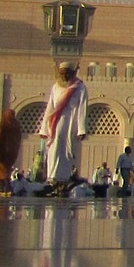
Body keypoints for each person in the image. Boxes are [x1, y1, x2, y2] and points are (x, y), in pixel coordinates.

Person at [39, 62, 89, 193]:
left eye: (67, 73)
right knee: (53, 150)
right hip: (54, 123)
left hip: (70, 122)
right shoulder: (56, 87)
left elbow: (82, 109)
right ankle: (52, 178)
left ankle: (63, 179)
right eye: (62, 73)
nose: (65, 76)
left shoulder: (80, 87)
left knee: (66, 151)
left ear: (72, 73)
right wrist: (44, 128)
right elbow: (50, 107)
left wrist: (81, 128)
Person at [0, 106, 23, 193]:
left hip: (2, 152)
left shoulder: (2, 126)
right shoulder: (16, 126)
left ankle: (4, 187)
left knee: (2, 171)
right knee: (6, 170)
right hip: (11, 153)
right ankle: (7, 187)